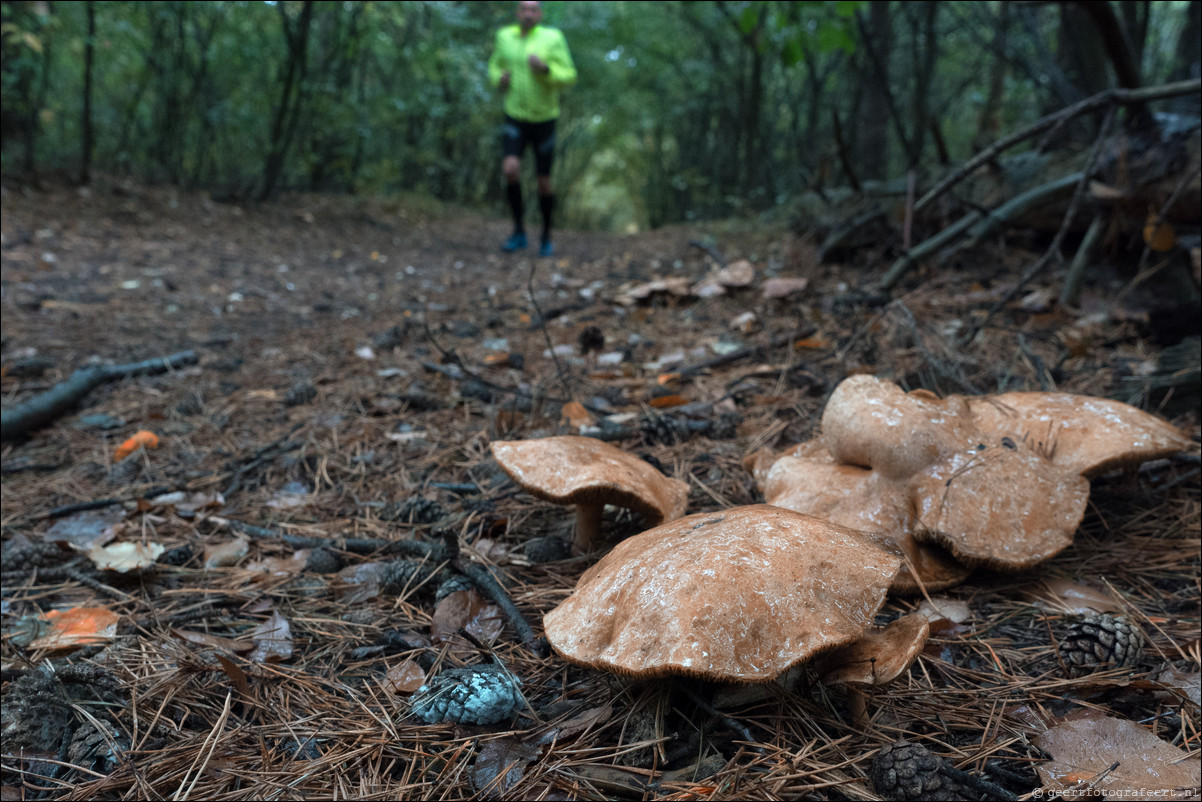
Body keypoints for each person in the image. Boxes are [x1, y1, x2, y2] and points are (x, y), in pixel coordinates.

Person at [487, 0, 577, 257]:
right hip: (514, 115)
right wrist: (498, 79)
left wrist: (546, 69)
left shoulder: (552, 38)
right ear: (517, 12)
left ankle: (546, 235)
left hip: (545, 119)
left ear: (540, 13)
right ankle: (518, 232)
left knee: (543, 182)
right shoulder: (504, 37)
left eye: (533, 9)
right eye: (523, 9)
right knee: (510, 170)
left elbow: (569, 74)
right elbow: (494, 67)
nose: (528, 14)